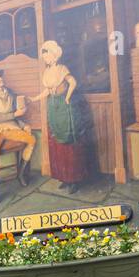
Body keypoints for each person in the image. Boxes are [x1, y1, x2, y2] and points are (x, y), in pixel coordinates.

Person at [29, 41, 92, 192]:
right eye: (44, 57)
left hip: (65, 108)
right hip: (53, 107)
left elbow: (73, 82)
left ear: (55, 55)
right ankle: (64, 177)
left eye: (47, 56)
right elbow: (47, 91)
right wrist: (34, 99)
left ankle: (74, 180)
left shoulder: (62, 69)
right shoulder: (47, 72)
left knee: (69, 141)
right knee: (57, 140)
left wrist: (68, 97)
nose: (45, 59)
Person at [0, 70, 36, 208]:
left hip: (11, 127)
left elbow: (16, 116)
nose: (1, 79)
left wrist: (24, 125)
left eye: (0, 77)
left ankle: (21, 174)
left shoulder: (10, 93)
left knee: (31, 140)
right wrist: (15, 113)